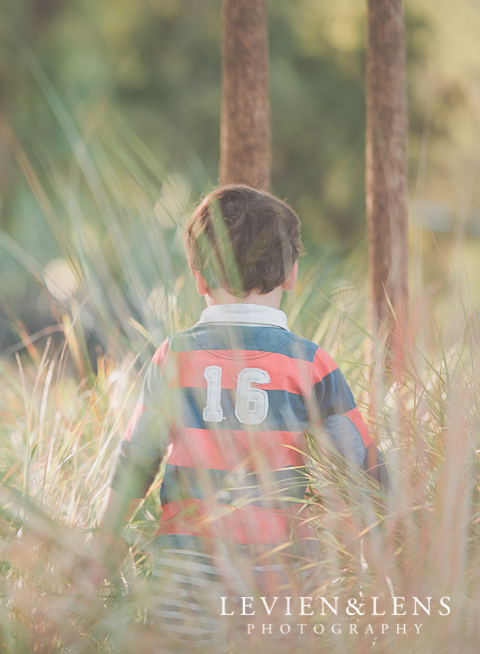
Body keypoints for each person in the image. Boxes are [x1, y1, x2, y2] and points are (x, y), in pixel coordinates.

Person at [94, 185, 385, 650]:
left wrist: (105, 538)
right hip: (280, 570)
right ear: (291, 274)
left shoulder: (174, 357)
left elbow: (138, 455)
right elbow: (362, 465)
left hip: (185, 569)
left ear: (198, 276)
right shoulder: (310, 364)